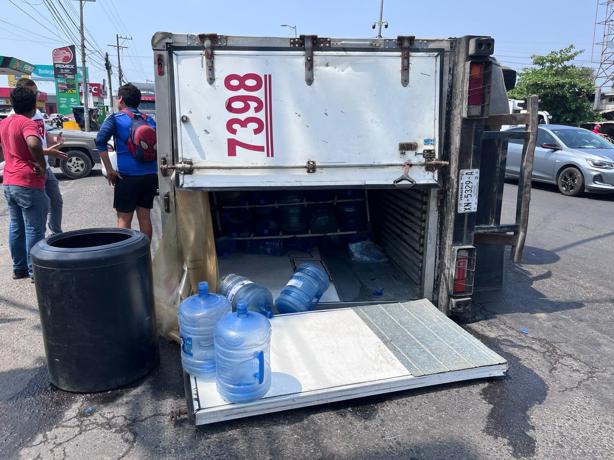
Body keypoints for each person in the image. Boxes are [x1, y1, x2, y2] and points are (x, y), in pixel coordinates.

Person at [0, 87, 63, 279]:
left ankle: (19, 268)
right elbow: (34, 143)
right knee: (34, 228)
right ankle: (34, 270)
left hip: (9, 181)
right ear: (34, 104)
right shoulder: (28, 123)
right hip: (27, 181)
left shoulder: (4, 123)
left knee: (16, 226)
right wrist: (42, 166)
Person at [96, 83, 157, 240]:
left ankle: (125, 258)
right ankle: (144, 255)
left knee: (124, 219)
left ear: (121, 99)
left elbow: (100, 142)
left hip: (127, 177)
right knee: (145, 217)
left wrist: (110, 170)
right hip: (150, 175)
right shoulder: (149, 120)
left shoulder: (116, 119)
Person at [14, 78, 67, 234]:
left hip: (45, 166)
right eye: (34, 92)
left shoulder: (36, 113)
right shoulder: (17, 116)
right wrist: (48, 152)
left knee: (56, 201)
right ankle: (39, 240)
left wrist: (55, 140)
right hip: (32, 169)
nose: (37, 96)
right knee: (39, 209)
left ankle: (56, 234)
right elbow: (26, 147)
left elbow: (42, 135)